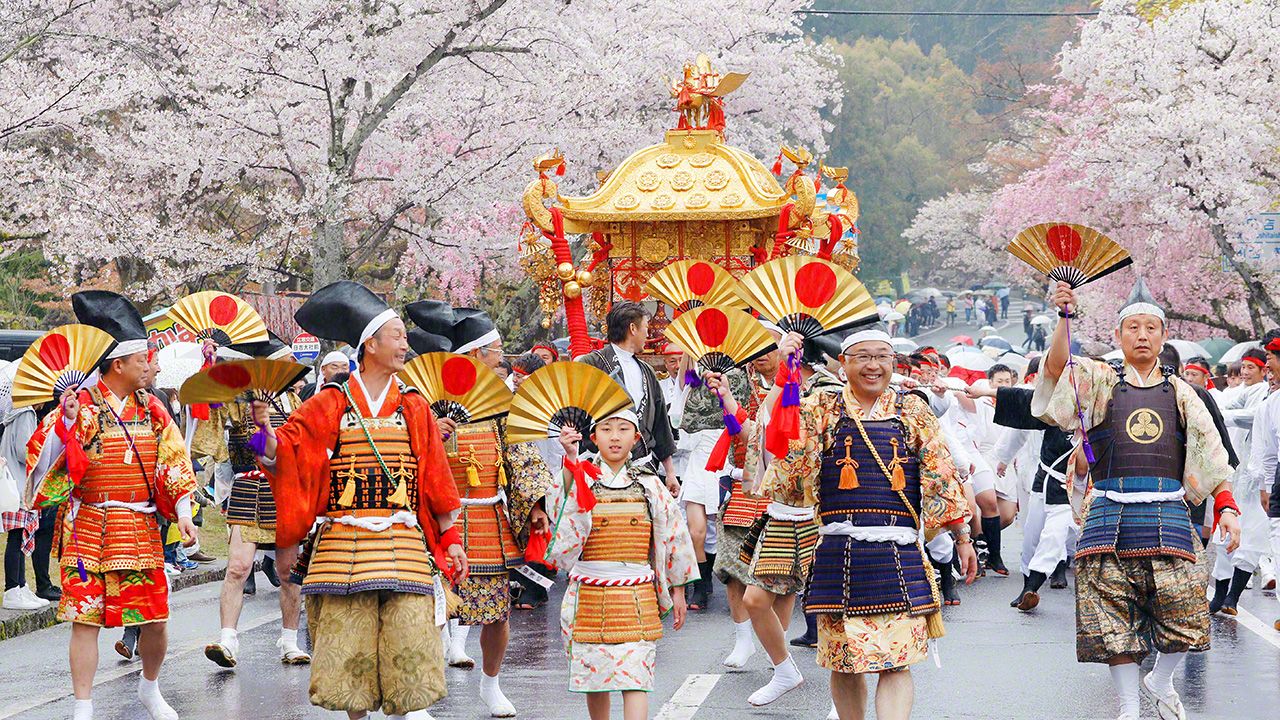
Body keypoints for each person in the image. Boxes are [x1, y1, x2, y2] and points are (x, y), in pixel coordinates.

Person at [723, 327, 977, 720]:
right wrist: (785, 374)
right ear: (843, 364)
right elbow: (781, 446)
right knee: (845, 661)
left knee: (896, 662)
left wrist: (962, 536)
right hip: (839, 553)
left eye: (882, 357)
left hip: (899, 551)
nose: (873, 365)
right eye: (862, 357)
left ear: (893, 363)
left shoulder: (913, 410)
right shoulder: (822, 406)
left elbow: (941, 473)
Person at [252, 281, 467, 720]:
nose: (406, 344)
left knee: (408, 648)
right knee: (352, 662)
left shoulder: (414, 406)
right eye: (398, 336)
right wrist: (261, 430)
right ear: (370, 345)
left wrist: (452, 538)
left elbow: (435, 479)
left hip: (404, 543)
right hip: (344, 545)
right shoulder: (328, 403)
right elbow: (281, 456)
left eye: (405, 336)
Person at [1036, 278, 1240, 720]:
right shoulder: (1097, 379)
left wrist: (1226, 507)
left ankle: (1161, 679)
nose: (1142, 335)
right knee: (1110, 618)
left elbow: (1211, 457)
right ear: (1118, 335)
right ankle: (1129, 707)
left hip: (1169, 510)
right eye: (1133, 327)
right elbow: (1055, 369)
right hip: (1108, 512)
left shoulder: (1184, 392)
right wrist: (1064, 317)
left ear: (1163, 336)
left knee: (1187, 608)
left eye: (1151, 328)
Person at [27, 290, 199, 720]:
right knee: (84, 620)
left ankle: (149, 687)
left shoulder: (154, 410)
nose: (150, 366)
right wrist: (65, 422)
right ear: (118, 364)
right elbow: (45, 462)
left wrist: (182, 513)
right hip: (88, 530)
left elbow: (174, 462)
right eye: (144, 359)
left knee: (155, 618)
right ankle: (83, 705)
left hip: (139, 528)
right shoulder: (80, 407)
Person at [405, 301, 552, 718]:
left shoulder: (500, 399)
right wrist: (432, 431)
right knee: (429, 608)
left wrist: (536, 503)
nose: (500, 358)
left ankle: (491, 684)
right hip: (438, 518)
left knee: (497, 612)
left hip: (488, 514)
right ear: (473, 355)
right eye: (495, 350)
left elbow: (520, 452)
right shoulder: (425, 397)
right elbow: (404, 451)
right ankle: (419, 695)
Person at [714, 335, 843, 707]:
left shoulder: (829, 389)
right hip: (782, 512)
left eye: (776, 349)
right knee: (757, 598)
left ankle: (843, 699)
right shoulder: (774, 387)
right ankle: (785, 669)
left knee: (833, 610)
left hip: (823, 515)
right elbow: (758, 431)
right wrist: (727, 399)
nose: (764, 356)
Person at [547, 408, 697, 720]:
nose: (615, 437)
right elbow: (560, 518)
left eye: (623, 429)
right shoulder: (580, 477)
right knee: (595, 680)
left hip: (636, 596)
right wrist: (571, 461)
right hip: (589, 594)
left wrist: (679, 588)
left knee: (636, 679)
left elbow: (673, 534)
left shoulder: (650, 485)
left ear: (636, 438)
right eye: (606, 429)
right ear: (593, 437)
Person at [203, 338, 310, 669]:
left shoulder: (294, 403)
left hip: (286, 491)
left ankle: (290, 640)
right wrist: (211, 372)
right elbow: (217, 437)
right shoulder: (236, 402)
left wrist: (267, 427)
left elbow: (290, 454)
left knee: (288, 572)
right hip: (249, 487)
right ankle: (227, 639)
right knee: (237, 567)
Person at [712, 320, 783, 665]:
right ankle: (743, 640)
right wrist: (725, 397)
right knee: (731, 566)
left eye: (769, 347)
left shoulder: (804, 385)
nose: (761, 355)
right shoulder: (740, 381)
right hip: (746, 483)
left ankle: (778, 649)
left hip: (786, 489)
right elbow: (740, 429)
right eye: (755, 347)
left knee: (783, 573)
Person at [578, 302, 678, 489]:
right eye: (646, 328)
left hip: (642, 466)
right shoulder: (592, 363)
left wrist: (670, 472)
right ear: (633, 328)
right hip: (598, 467)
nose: (648, 335)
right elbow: (574, 412)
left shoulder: (647, 371)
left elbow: (660, 424)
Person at [2, 389, 58, 610]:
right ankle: (12, 589)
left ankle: (21, 586)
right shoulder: (25, 414)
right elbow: (24, 451)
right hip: (20, 484)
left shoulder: (14, 412)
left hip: (16, 483)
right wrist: (43, 449)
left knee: (20, 536)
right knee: (17, 537)